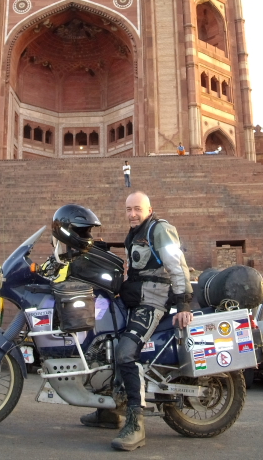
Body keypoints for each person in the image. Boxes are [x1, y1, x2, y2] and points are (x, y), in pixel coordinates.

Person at [80, 191, 193, 451]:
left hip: (152, 304)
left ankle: (136, 423)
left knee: (126, 352)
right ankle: (111, 410)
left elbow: (176, 265)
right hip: (134, 300)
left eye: (137, 209)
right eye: (129, 209)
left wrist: (183, 303)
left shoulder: (159, 229)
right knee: (103, 339)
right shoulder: (135, 234)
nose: (132, 213)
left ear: (149, 209)